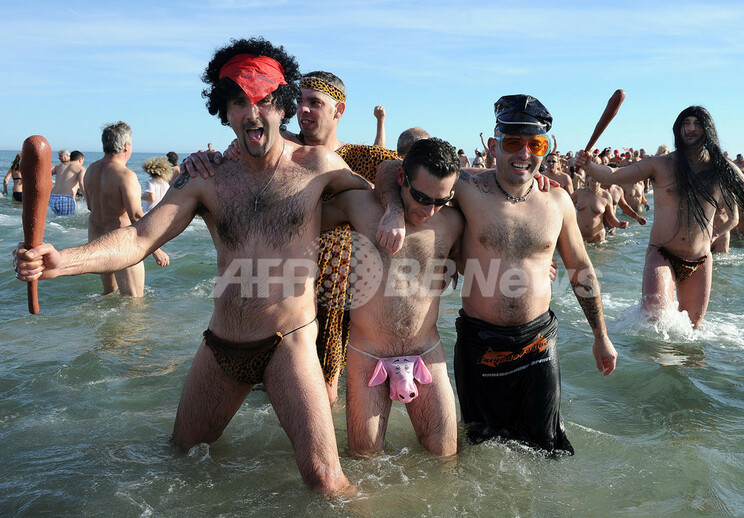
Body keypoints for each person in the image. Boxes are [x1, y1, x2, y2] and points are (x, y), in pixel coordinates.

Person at [16, 38, 372, 495]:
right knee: (177, 460)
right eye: (239, 102)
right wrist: (60, 261)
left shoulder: (318, 166)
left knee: (325, 481)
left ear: (282, 108)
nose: (252, 112)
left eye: (264, 101)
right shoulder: (206, 178)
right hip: (222, 346)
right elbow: (141, 236)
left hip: (289, 344)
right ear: (224, 111)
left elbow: (379, 203)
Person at [378, 94, 617, 453]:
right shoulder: (467, 188)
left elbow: (581, 269)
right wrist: (394, 212)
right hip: (479, 344)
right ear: (493, 145)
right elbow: (390, 170)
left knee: (545, 452)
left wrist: (601, 335)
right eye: (512, 142)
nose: (524, 153)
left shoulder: (557, 202)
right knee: (479, 451)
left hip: (538, 344)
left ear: (546, 147)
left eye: (534, 144)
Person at [185, 69, 401, 405]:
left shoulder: (359, 158)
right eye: (299, 102)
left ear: (338, 111)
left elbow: (398, 170)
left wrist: (395, 211)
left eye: (314, 103)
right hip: (274, 301)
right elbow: (230, 171)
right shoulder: (277, 152)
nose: (304, 110)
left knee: (324, 394)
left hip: (334, 300)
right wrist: (202, 159)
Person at [575, 105, 744, 327]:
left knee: (692, 328)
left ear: (707, 130)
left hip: (700, 258)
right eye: (686, 124)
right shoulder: (661, 164)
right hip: (662, 253)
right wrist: (589, 166)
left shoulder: (722, 169)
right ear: (678, 130)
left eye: (697, 124)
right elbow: (615, 175)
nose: (691, 129)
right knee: (655, 313)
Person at [322, 137, 462, 457]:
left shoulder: (453, 221)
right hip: (367, 351)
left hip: (426, 349)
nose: (429, 210)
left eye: (441, 200)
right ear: (402, 179)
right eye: (422, 197)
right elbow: (299, 220)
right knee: (365, 460)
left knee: (445, 458)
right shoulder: (360, 206)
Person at [81, 121, 169, 296]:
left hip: (97, 240)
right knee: (133, 301)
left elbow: (90, 206)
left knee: (109, 295)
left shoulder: (90, 170)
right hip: (120, 243)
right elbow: (136, 216)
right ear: (126, 146)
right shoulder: (125, 175)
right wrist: (156, 250)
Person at [571, 175, 629, 243]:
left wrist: (619, 224)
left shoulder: (606, 196)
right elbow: (566, 208)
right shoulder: (579, 193)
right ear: (588, 177)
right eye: (593, 174)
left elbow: (610, 217)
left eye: (598, 176)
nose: (595, 177)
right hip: (579, 236)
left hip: (598, 238)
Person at [49, 150, 85, 216]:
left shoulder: (58, 166)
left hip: (52, 198)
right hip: (66, 199)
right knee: (66, 223)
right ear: (80, 160)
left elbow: (44, 174)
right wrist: (87, 198)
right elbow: (81, 183)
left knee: (57, 221)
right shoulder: (81, 168)